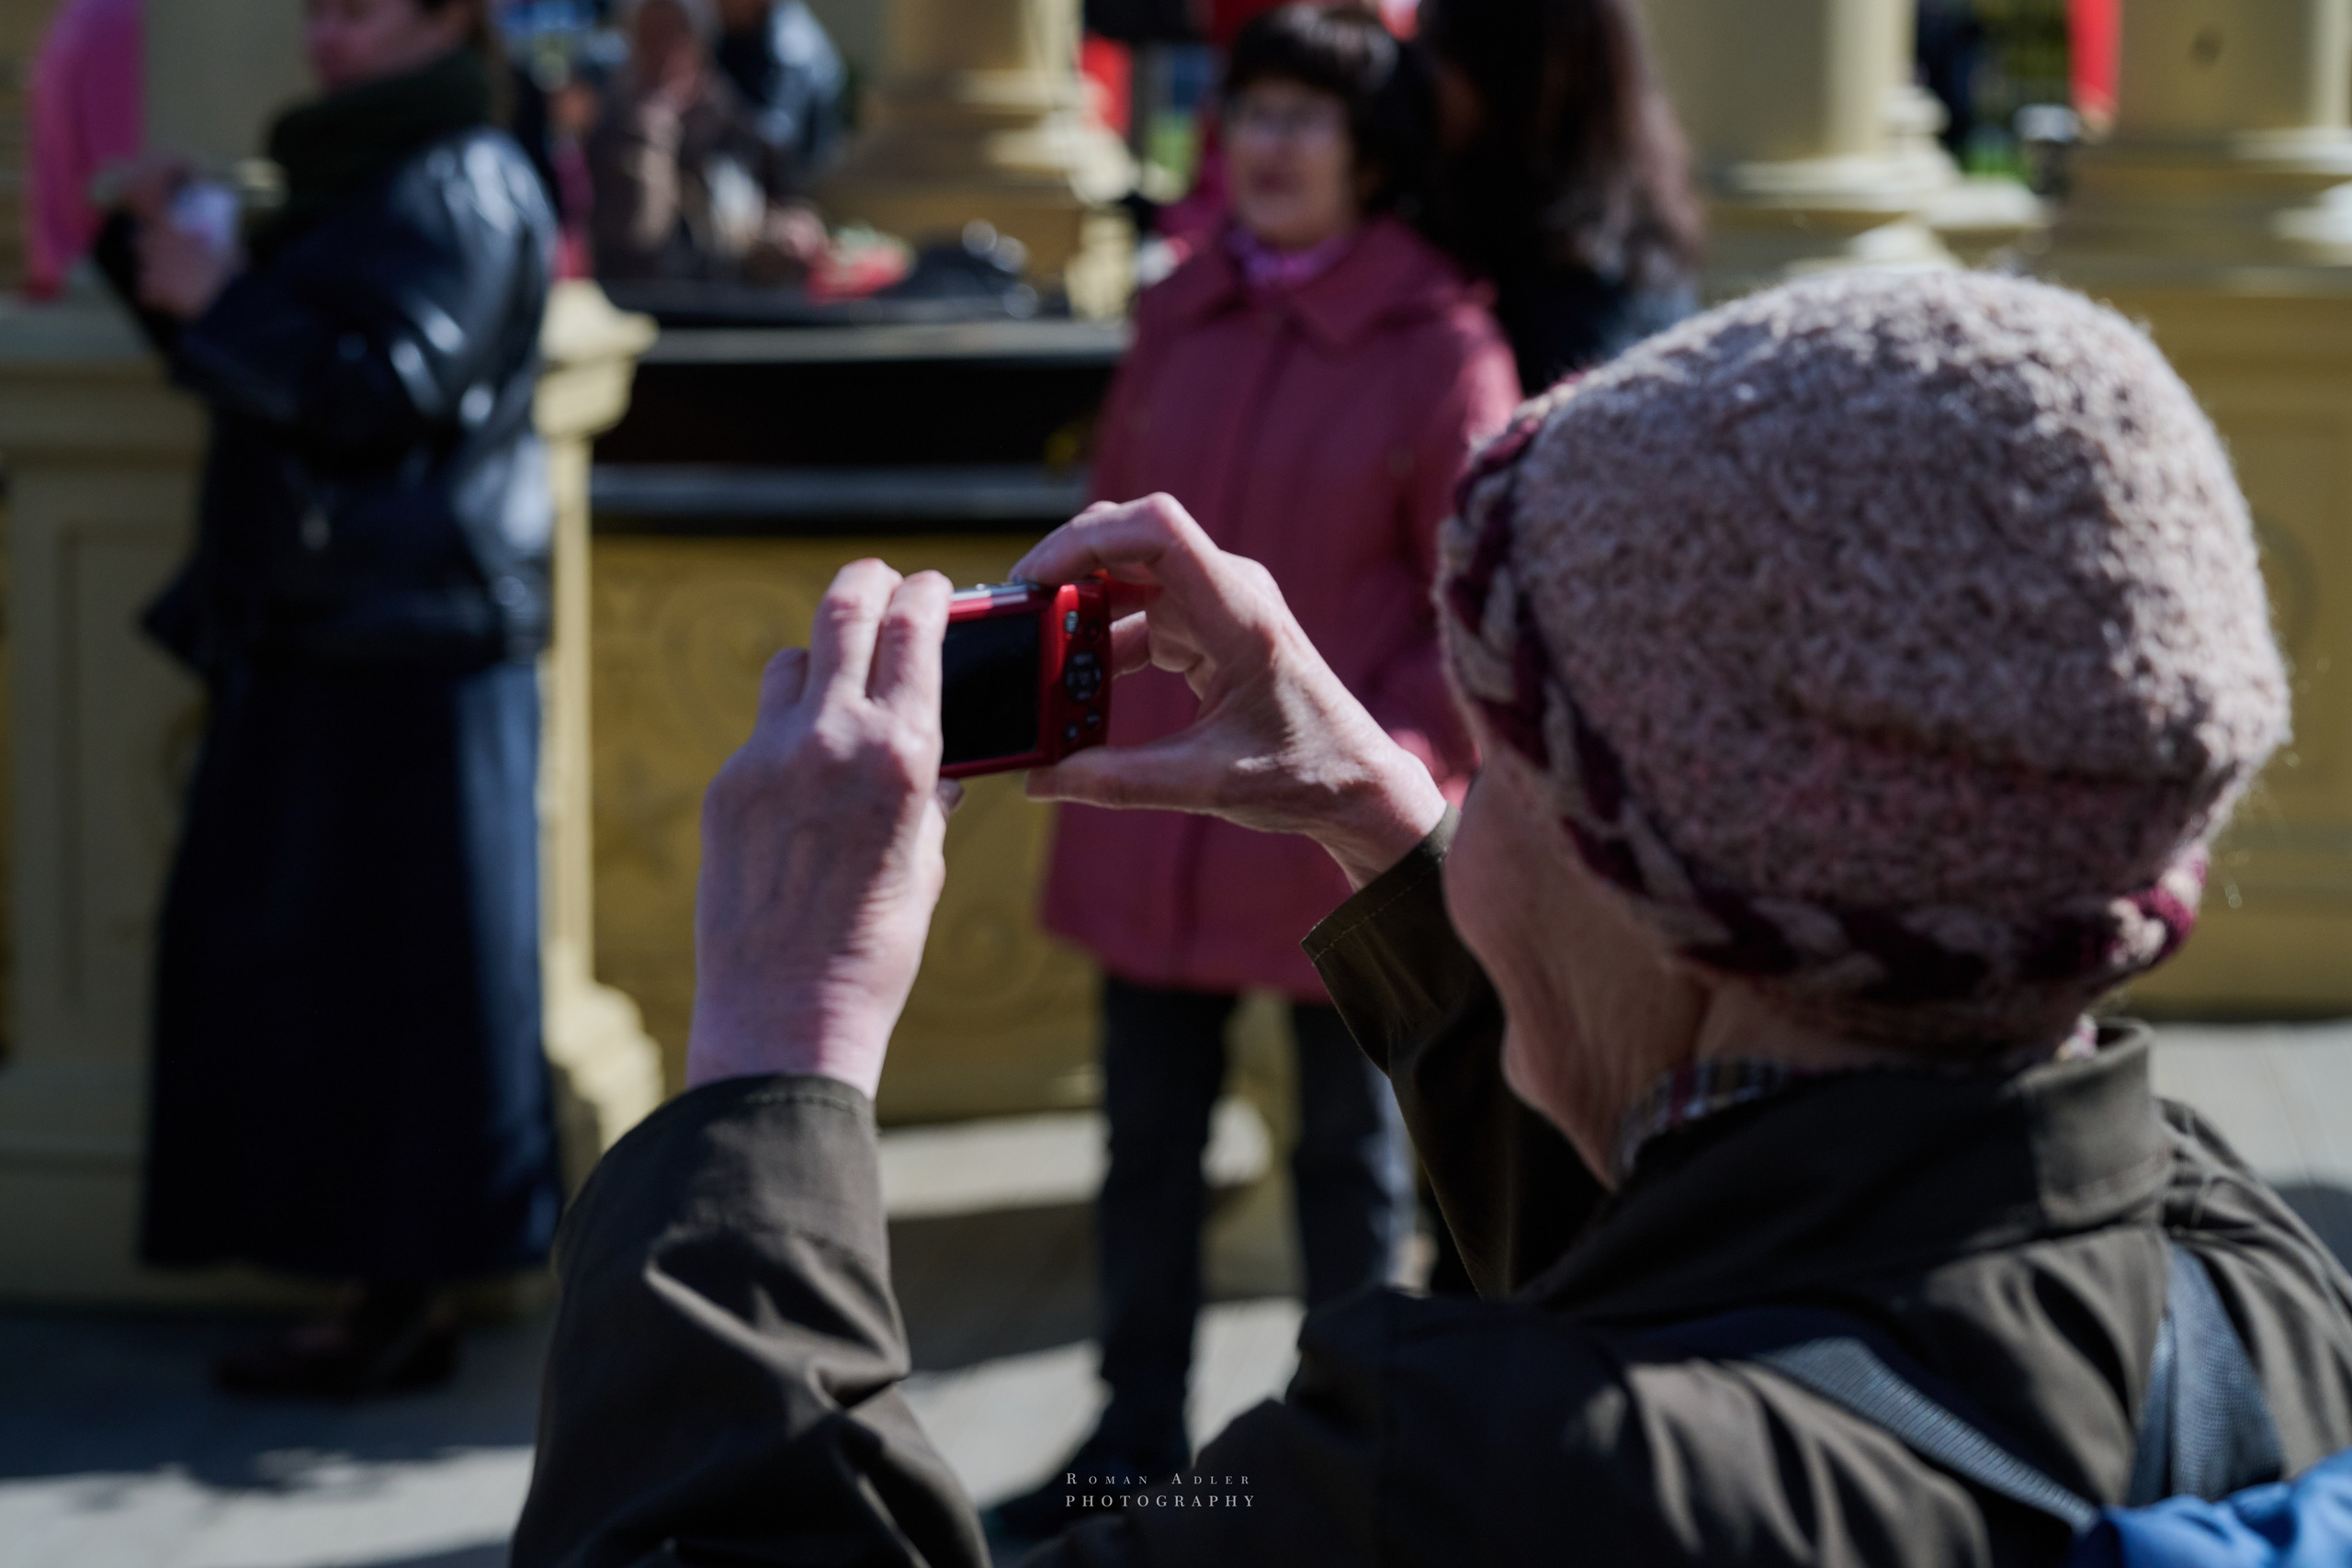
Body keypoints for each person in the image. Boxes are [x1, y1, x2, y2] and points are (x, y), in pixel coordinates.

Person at [511, 268, 2352, 1563]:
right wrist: (1384, 821)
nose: (1458, 811)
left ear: (1662, 896)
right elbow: (1744, 1290)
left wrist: (772, 1051)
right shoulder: (2250, 1288)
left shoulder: (1475, 1477)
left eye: (1492, 754)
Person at [1015, 2, 1520, 1523]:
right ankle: (1129, 1450)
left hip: (1321, 812)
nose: (1275, 144)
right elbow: (1099, 540)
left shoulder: (1447, 346)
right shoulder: (1179, 313)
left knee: (1349, 1166)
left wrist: (1390, 767)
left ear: (1373, 153)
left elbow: (1474, 612)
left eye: (1311, 117)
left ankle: (1348, 1469)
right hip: (1156, 798)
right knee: (1145, 1149)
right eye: (1255, 112)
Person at [95, 0, 564, 1396]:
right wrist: (165, 261)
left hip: (405, 640)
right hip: (348, 629)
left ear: (440, 19)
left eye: (357, 3)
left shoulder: (457, 177)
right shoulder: (375, 168)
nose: (322, 27)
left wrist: (220, 288)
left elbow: (382, 390)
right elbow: (273, 363)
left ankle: (398, 1305)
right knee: (347, 984)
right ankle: (378, 1296)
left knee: (404, 992)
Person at [1416, 0, 1703, 392]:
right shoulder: (1622, 223)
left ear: (1512, 73)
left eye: (1437, 48)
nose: (1417, 72)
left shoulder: (1584, 308)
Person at [585, 0, 825, 285]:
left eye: (676, 34)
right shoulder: (614, 124)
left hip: (726, 306)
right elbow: (640, 238)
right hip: (644, 304)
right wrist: (653, 137)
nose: (664, 51)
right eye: (651, 35)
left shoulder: (725, 113)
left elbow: (770, 203)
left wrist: (791, 229)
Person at [24, 0, 142, 299]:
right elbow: (122, 176)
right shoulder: (122, 16)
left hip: (70, 273)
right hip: (104, 287)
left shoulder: (88, 13)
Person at [711, 0, 843, 178]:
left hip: (799, 186)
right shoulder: (736, 32)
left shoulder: (793, 49)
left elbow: (783, 139)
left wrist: (721, 106)